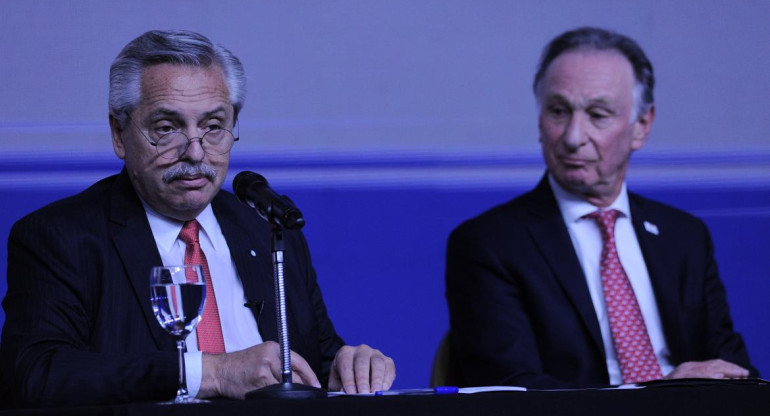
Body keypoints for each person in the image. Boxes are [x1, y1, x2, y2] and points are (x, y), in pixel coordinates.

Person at [0, 30, 395, 408]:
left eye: (213, 127)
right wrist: (212, 373)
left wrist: (349, 367)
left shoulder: (268, 229)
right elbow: (36, 375)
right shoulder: (62, 238)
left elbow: (316, 362)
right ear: (119, 134)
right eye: (167, 128)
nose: (195, 151)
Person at [445, 27, 755, 389]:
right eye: (559, 111)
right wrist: (655, 396)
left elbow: (733, 372)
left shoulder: (684, 237)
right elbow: (511, 389)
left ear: (641, 126)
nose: (574, 137)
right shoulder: (490, 244)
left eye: (598, 114)